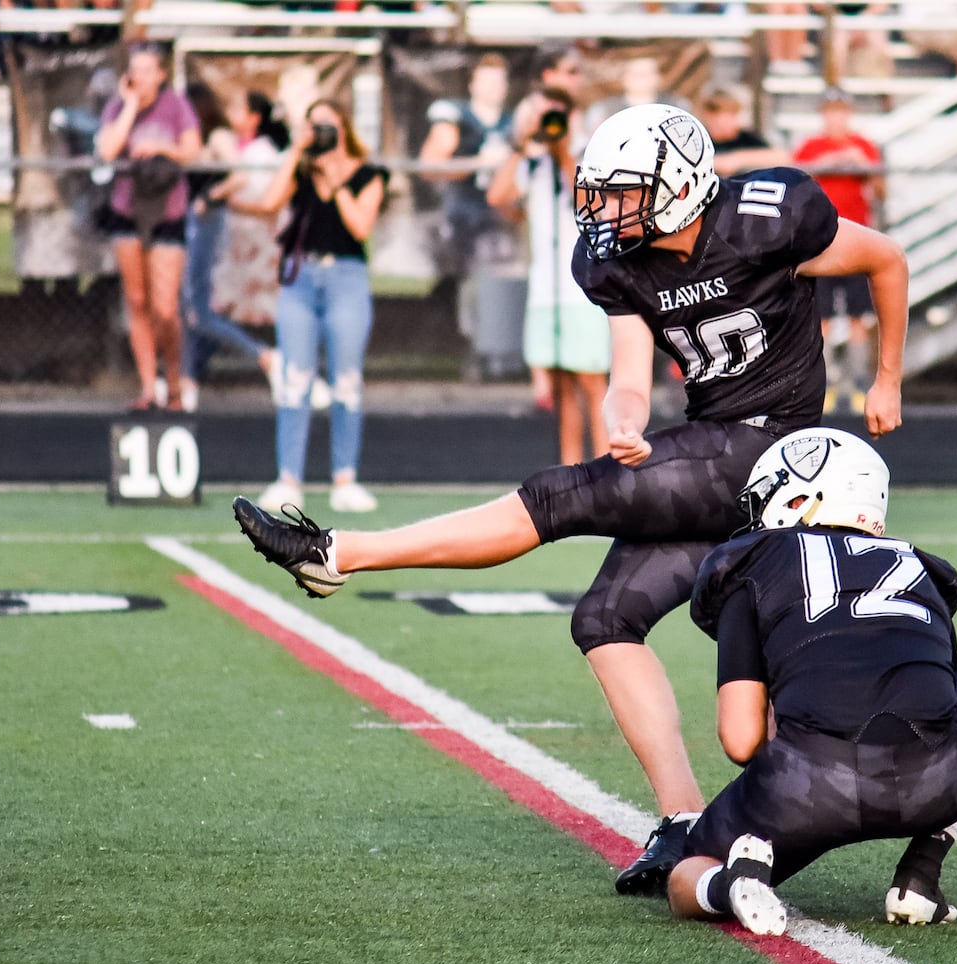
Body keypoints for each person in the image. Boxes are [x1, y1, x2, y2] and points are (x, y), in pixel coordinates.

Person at [232, 103, 910, 896]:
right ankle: (684, 823)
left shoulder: (769, 217)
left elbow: (886, 259)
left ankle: (336, 552)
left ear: (682, 186)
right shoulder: (619, 265)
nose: (604, 209)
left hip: (773, 444)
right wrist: (624, 417)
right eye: (601, 191)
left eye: (622, 193)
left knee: (561, 497)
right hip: (711, 442)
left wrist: (889, 375)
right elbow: (628, 377)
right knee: (604, 619)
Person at [665, 428, 957, 935]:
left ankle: (732, 884)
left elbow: (740, 739)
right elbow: (941, 696)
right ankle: (921, 873)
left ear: (803, 496)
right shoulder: (917, 565)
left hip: (808, 788)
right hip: (935, 781)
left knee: (686, 877)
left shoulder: (753, 560)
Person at [230, 100, 387, 515]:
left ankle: (345, 478)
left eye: (327, 127)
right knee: (294, 379)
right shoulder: (299, 169)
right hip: (301, 280)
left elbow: (360, 227)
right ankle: (288, 479)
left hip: (346, 279)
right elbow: (269, 203)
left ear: (344, 128)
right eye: (313, 126)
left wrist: (335, 180)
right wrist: (298, 153)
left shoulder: (367, 174)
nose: (320, 134)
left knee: (347, 382)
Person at [487, 86, 609, 462]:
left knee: (593, 383)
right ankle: (571, 472)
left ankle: (609, 471)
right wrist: (522, 145)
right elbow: (498, 198)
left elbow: (587, 202)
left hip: (582, 291)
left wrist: (562, 152)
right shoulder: (531, 161)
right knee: (562, 388)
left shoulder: (589, 156)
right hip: (546, 290)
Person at [94, 43, 202, 412]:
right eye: (134, 69)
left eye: (146, 70)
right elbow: (108, 151)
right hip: (128, 210)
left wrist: (162, 147)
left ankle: (173, 379)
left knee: (165, 308)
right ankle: (148, 386)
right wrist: (128, 107)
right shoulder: (117, 106)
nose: (139, 77)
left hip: (167, 213)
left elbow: (193, 150)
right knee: (137, 302)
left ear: (160, 74)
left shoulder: (176, 107)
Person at [178, 85, 284, 413]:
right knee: (191, 308)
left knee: (199, 310)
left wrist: (210, 199)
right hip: (202, 231)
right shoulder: (207, 141)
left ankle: (263, 356)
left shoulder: (221, 139)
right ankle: (187, 379)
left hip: (214, 229)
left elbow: (240, 178)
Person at [418, 53, 521, 378]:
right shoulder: (455, 117)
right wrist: (478, 163)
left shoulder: (513, 124)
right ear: (474, 84)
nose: (493, 88)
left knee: (504, 287)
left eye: (498, 81)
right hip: (465, 219)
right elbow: (432, 165)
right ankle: (471, 352)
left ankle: (503, 355)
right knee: (468, 292)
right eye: (486, 80)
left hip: (502, 221)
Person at [793, 88, 885, 416]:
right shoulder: (812, 148)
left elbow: (880, 191)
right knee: (823, 318)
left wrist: (863, 165)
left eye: (841, 111)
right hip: (820, 243)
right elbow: (795, 183)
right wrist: (823, 164)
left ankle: (858, 382)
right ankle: (828, 383)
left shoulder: (862, 147)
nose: (836, 118)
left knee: (859, 316)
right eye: (831, 111)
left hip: (855, 240)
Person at [698, 88, 790, 178]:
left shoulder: (746, 138)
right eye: (727, 116)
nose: (733, 121)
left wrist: (737, 159)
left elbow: (782, 157)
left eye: (734, 115)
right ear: (709, 115)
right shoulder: (700, 140)